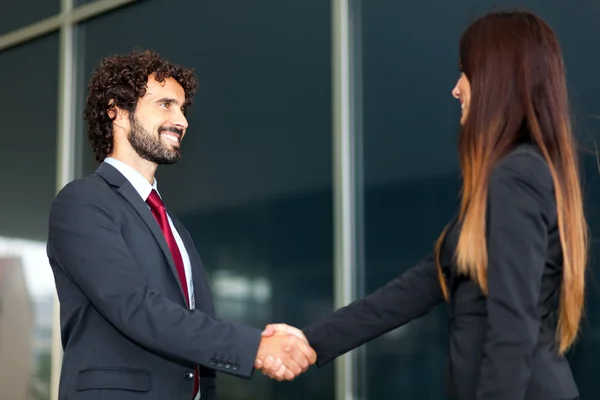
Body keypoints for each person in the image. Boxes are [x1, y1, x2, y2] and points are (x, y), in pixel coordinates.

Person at [259, 10, 587, 400]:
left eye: (465, 72)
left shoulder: (515, 176)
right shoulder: (511, 178)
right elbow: (415, 289)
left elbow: (512, 331)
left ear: (497, 78)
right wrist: (311, 341)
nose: (456, 88)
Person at [47, 50, 316, 400]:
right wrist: (254, 348)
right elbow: (135, 306)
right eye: (165, 104)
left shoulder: (172, 227)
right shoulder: (82, 201)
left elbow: (188, 325)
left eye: (183, 108)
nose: (182, 120)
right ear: (117, 110)